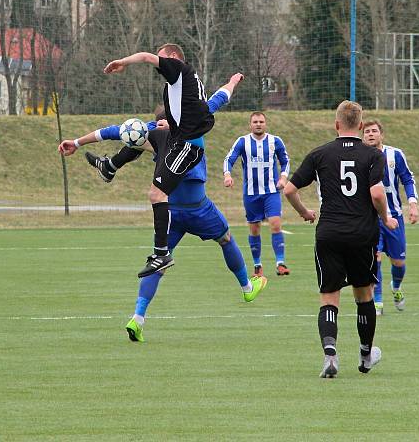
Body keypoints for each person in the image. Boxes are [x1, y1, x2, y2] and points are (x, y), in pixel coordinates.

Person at [60, 74, 265, 342]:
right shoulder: (190, 125)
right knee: (225, 238)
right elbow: (218, 98)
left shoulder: (151, 130)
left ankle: (137, 318)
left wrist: (76, 142)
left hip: (169, 211)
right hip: (198, 208)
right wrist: (233, 82)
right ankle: (248, 287)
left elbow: (112, 131)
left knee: (158, 262)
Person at [283, 100, 397, 378]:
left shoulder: (320, 153)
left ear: (336, 125)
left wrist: (306, 212)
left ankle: (330, 356)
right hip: (361, 234)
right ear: (360, 126)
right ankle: (366, 355)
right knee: (364, 295)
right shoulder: (372, 155)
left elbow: (288, 189)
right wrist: (385, 218)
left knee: (329, 299)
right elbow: (378, 194)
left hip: (329, 233)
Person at [102, 44, 215, 277]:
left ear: (173, 57)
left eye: (162, 57)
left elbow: (145, 56)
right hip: (181, 143)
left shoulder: (178, 69)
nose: (159, 64)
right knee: (144, 145)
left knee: (156, 194)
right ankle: (109, 166)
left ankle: (161, 254)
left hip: (187, 146)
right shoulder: (183, 83)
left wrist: (122, 62)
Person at [223, 112, 291, 277]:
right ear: (250, 124)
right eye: (255, 122)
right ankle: (257, 266)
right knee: (254, 229)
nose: (258, 124)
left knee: (275, 223)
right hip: (251, 194)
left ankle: (280, 263)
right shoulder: (243, 141)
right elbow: (229, 159)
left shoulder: (275, 141)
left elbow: (285, 161)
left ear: (265, 124)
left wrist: (283, 178)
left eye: (261, 121)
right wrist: (227, 174)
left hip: (271, 192)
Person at [362, 119, 418, 314]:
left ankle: (396, 287)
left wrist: (413, 204)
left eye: (374, 131)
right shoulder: (359, 157)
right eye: (367, 131)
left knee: (398, 263)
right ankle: (378, 301)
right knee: (374, 258)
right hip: (370, 218)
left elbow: (407, 179)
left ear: (381, 134)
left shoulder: (395, 155)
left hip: (394, 217)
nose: (370, 134)